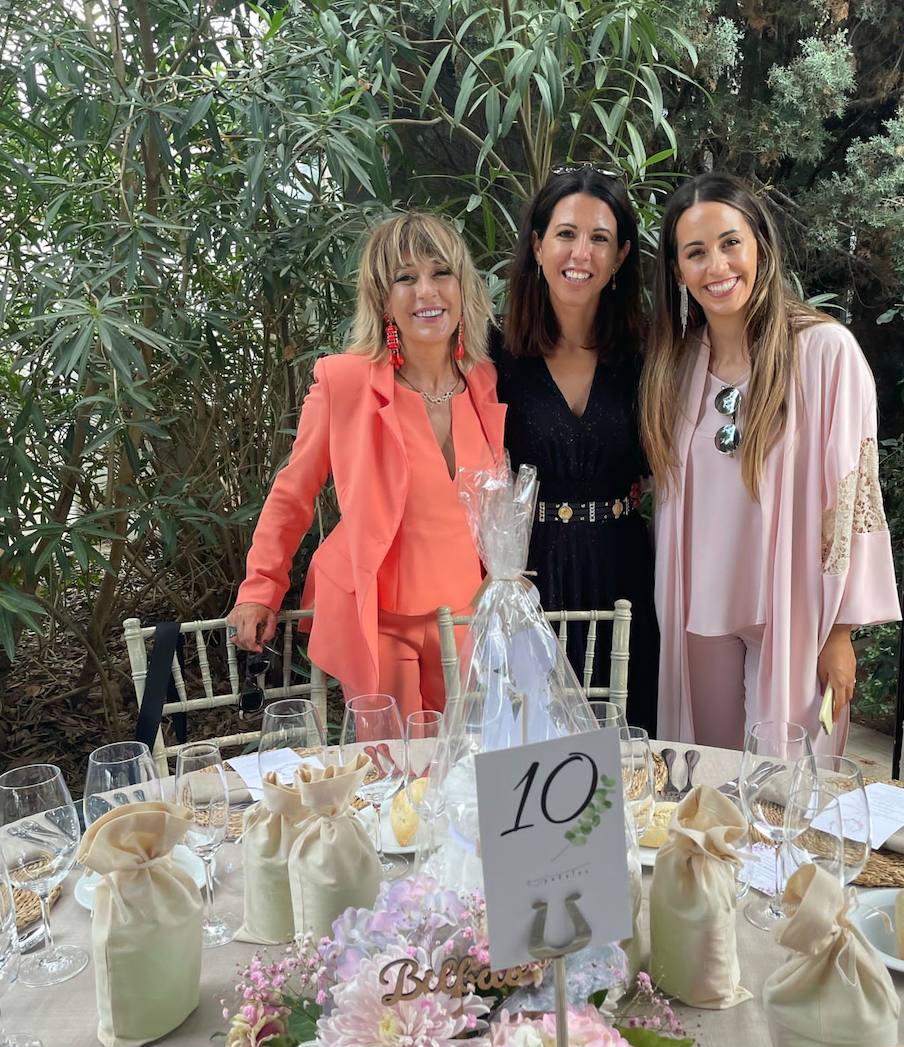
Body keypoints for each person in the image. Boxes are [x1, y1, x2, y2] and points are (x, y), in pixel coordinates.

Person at [641, 173, 901, 751]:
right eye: (696, 252)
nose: (716, 266)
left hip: (794, 620)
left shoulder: (825, 353)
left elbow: (857, 497)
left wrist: (841, 632)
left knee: (785, 803)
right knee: (705, 792)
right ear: (678, 272)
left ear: (759, 244)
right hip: (699, 619)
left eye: (730, 243)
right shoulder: (674, 369)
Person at [227, 212, 505, 720]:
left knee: (466, 771)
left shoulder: (485, 381)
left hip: (466, 616)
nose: (427, 291)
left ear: (463, 286)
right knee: (395, 772)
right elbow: (294, 492)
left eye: (441, 273)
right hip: (380, 615)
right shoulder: (345, 382)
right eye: (406, 277)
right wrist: (261, 587)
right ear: (382, 299)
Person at [494, 167, 659, 733]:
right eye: (565, 234)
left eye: (600, 238)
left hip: (626, 574)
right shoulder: (494, 356)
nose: (580, 253)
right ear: (538, 245)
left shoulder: (649, 355)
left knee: (630, 740)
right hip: (529, 578)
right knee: (536, 746)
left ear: (621, 257)